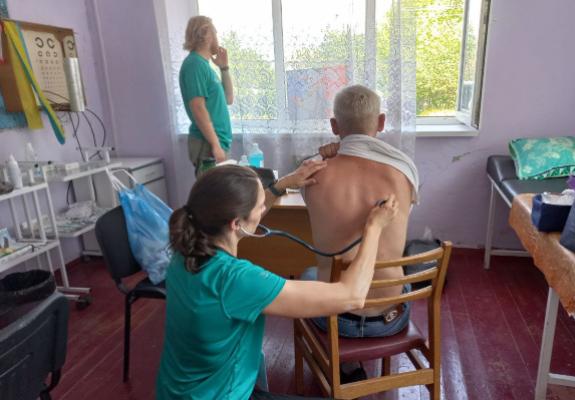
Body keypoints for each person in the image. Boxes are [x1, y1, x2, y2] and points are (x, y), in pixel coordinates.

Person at [155, 161, 400, 400]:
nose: (264, 211)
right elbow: (352, 295)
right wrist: (374, 228)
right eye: (261, 206)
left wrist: (281, 186)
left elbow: (242, 222)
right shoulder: (238, 280)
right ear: (236, 224)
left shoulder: (186, 250)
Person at [301, 85, 419, 379]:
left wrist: (328, 154)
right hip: (390, 317)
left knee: (306, 274)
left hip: (336, 319)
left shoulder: (312, 175)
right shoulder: (405, 173)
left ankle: (343, 364)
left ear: (333, 126)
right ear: (380, 122)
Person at [180, 16, 234, 177]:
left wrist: (224, 68)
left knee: (220, 198)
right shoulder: (194, 65)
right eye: (215, 33)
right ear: (206, 34)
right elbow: (198, 107)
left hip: (216, 142)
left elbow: (229, 99)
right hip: (208, 144)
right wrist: (215, 144)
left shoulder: (204, 66)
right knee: (212, 199)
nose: (217, 37)